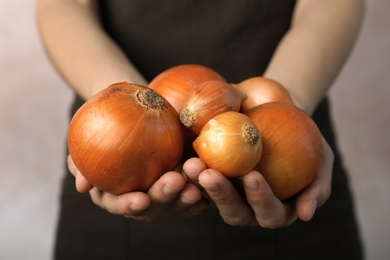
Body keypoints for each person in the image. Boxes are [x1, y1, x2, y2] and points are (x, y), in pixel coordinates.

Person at [36, 0, 365, 259]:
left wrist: (288, 106)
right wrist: (115, 101)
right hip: (114, 207)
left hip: (282, 175)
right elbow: (65, 3)